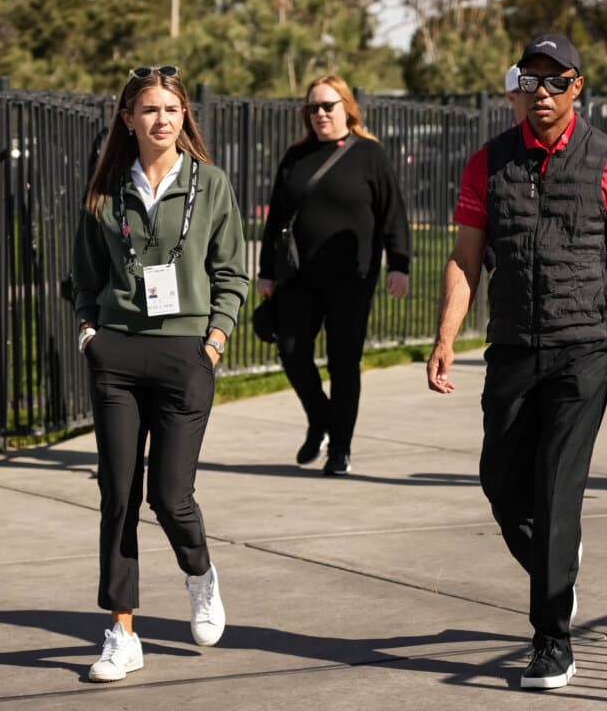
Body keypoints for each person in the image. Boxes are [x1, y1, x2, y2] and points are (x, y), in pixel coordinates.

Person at [427, 34, 607, 690]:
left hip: (582, 349)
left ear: (578, 86)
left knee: (556, 492)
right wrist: (445, 336)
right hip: (513, 348)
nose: (543, 93)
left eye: (557, 82)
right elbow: (466, 259)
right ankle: (559, 566)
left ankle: (552, 640)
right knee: (502, 486)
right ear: (519, 86)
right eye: (533, 81)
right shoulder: (487, 164)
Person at [72, 64, 250, 682]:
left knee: (170, 497)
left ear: (184, 118)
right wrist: (90, 332)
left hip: (185, 353)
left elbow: (232, 271)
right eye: (148, 109)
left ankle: (200, 576)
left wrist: (216, 340)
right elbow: (84, 278)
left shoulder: (212, 184)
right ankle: (121, 632)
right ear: (128, 119)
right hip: (117, 355)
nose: (161, 119)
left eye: (171, 109)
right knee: (119, 494)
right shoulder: (103, 191)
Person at [256, 75, 411, 477]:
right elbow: (275, 218)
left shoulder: (369, 154)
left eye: (327, 106)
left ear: (347, 108)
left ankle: (339, 448)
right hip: (298, 275)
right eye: (313, 108)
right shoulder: (296, 155)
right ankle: (320, 418)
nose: (320, 114)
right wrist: (266, 272)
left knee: (344, 363)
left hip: (351, 278)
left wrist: (399, 264)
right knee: (291, 351)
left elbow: (392, 211)